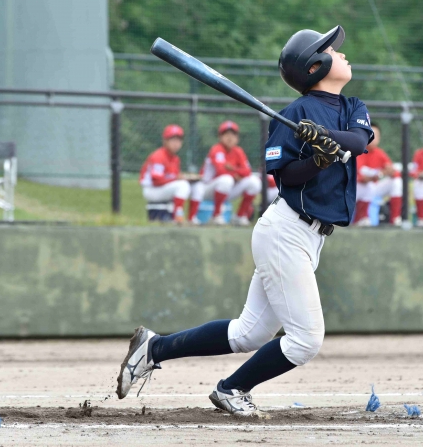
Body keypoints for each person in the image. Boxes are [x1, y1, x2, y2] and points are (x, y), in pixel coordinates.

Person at [116, 25, 373, 416]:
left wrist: (325, 138)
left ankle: (154, 348)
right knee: (306, 340)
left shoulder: (352, 106)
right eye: (333, 51)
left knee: (248, 333)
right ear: (314, 66)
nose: (342, 54)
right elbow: (285, 177)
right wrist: (317, 160)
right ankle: (231, 389)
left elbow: (359, 141)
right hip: (286, 231)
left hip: (310, 237)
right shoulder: (293, 115)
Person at [189, 121, 262, 226]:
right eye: (226, 134)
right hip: (207, 188)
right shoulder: (217, 149)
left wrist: (232, 169)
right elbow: (221, 171)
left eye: (233, 134)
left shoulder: (238, 151)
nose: (230, 137)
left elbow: (247, 172)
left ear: (237, 138)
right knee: (226, 179)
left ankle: (239, 216)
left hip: (227, 189)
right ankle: (216, 215)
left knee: (255, 182)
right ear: (220, 137)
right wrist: (237, 172)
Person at [138, 124, 190, 223]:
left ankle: (192, 219)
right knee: (183, 185)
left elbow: (173, 178)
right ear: (165, 141)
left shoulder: (175, 159)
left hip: (161, 188)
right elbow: (156, 181)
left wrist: (179, 178)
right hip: (152, 190)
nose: (176, 143)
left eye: (178, 140)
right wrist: (177, 179)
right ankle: (177, 217)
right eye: (173, 140)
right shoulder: (158, 156)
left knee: (195, 186)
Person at [353, 122, 402, 226]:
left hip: (375, 188)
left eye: (376, 136)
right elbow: (361, 179)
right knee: (368, 186)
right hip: (356, 190)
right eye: (371, 135)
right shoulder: (358, 151)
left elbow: (394, 173)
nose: (373, 138)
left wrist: (389, 171)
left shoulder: (380, 153)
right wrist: (380, 174)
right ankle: (361, 218)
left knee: (397, 182)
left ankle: (395, 219)